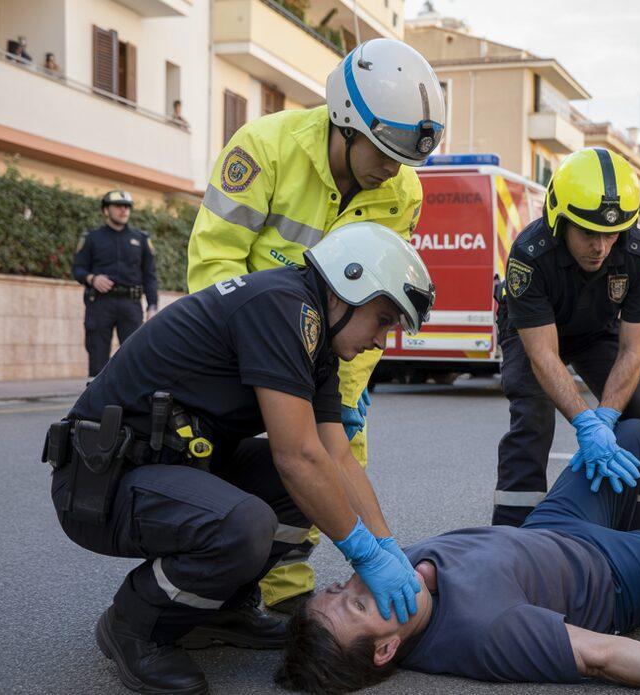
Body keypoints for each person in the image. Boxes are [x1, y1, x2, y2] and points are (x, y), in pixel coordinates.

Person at [44, 223, 436, 695]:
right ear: (352, 285)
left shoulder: (316, 339)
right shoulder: (281, 307)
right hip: (103, 481)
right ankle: (135, 624)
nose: (382, 340)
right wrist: (363, 552)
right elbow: (297, 456)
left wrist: (386, 545)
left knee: (307, 488)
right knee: (247, 520)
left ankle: (221, 607)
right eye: (384, 319)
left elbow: (335, 457)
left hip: (169, 468)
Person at [275, 418, 640, 694]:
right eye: (358, 607)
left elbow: (330, 467)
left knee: (627, 435)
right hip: (611, 578)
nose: (355, 585)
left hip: (554, 527)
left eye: (338, 589)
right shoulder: (484, 632)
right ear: (385, 651)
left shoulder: (394, 581)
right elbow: (598, 654)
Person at [186, 37, 444, 611]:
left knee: (333, 462)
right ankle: (212, 596)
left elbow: (377, 303)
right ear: (345, 123)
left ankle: (282, 594)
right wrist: (257, 372)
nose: (392, 170)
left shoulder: (402, 193)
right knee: (255, 467)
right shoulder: (264, 149)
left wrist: (344, 395)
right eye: (381, 151)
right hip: (242, 351)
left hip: (322, 360)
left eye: (404, 158)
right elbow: (214, 265)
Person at [493, 147, 640, 528]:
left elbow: (633, 349)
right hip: (533, 333)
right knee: (533, 419)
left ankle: (630, 528)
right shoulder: (529, 254)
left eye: (611, 234)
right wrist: (586, 423)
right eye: (588, 233)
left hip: (596, 330)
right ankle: (510, 534)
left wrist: (605, 416)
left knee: (639, 410)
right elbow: (543, 356)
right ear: (559, 220)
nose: (601, 247)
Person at [71, 190, 158, 378]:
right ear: (106, 210)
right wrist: (92, 279)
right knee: (97, 358)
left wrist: (152, 306)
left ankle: (131, 404)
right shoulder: (92, 238)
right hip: (100, 304)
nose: (123, 210)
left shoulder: (141, 239)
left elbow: (150, 275)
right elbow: (78, 270)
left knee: (134, 356)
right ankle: (95, 404)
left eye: (127, 206)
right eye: (118, 206)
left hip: (131, 305)